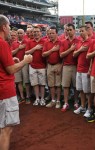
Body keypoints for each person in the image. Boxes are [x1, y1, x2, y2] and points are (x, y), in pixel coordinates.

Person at [0, 14, 32, 150]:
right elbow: (11, 70)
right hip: (5, 91)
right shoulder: (2, 43)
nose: (9, 29)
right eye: (8, 26)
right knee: (6, 130)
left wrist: (11, 61)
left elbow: (5, 65)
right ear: (3, 27)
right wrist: (26, 61)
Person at [73, 25, 93, 117]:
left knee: (87, 91)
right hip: (79, 69)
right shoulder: (79, 42)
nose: (80, 33)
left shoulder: (91, 42)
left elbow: (92, 57)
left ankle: (89, 108)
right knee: (81, 89)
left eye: (82, 31)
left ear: (87, 31)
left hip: (86, 70)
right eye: (79, 31)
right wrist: (80, 50)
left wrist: (90, 70)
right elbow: (74, 54)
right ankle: (83, 106)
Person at [60, 23, 80, 112]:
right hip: (66, 66)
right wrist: (70, 49)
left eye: (70, 30)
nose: (68, 31)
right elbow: (61, 55)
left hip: (76, 66)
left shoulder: (78, 41)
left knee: (76, 86)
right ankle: (66, 103)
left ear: (74, 30)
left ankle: (76, 101)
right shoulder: (63, 41)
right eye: (67, 30)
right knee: (66, 86)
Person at [25, 26, 46, 106]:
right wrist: (35, 48)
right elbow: (26, 53)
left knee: (42, 84)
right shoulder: (29, 42)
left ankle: (42, 98)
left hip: (42, 66)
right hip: (32, 66)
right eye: (34, 32)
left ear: (41, 33)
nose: (36, 33)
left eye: (37, 31)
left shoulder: (45, 41)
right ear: (32, 33)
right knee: (35, 83)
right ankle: (37, 98)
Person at [42, 26, 62, 109]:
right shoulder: (46, 42)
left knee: (58, 85)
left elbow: (62, 56)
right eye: (49, 33)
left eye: (53, 33)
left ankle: (58, 101)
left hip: (58, 64)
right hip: (49, 65)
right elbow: (43, 54)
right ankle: (53, 100)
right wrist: (52, 50)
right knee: (51, 85)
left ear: (56, 33)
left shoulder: (61, 42)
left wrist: (60, 66)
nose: (51, 35)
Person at [11, 29, 31, 104]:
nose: (19, 34)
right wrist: (18, 48)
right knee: (18, 81)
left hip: (25, 63)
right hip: (16, 63)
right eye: (18, 33)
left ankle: (28, 96)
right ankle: (22, 97)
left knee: (26, 81)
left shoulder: (27, 42)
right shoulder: (13, 43)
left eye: (21, 33)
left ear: (24, 34)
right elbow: (11, 53)